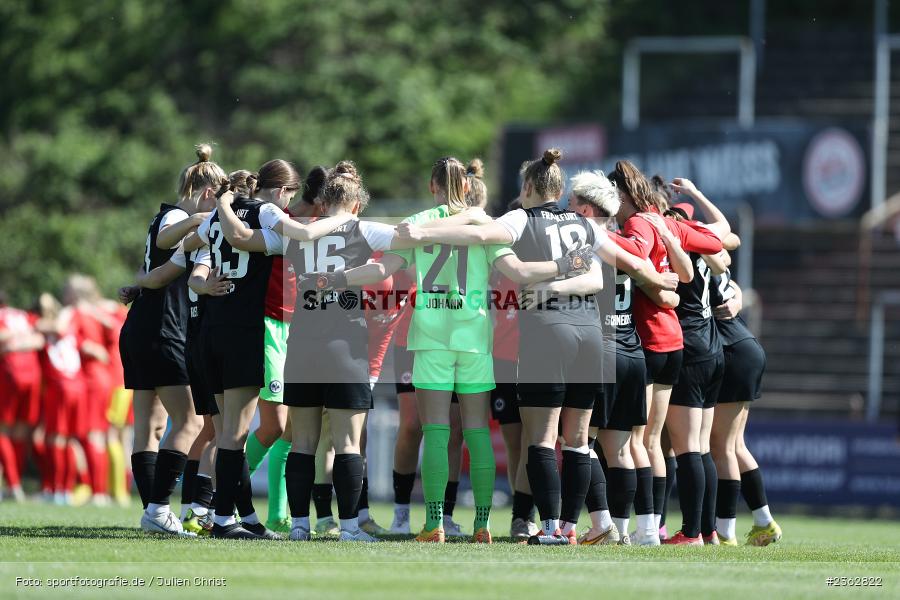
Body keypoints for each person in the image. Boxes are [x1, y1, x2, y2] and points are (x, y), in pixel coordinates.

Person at [395, 150, 678, 545]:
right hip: (591, 337)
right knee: (579, 441)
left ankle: (549, 529)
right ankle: (571, 528)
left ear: (528, 187)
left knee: (542, 439)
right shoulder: (584, 223)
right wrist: (664, 280)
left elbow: (479, 234)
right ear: (561, 190)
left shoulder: (520, 217)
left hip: (549, 332)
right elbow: (624, 264)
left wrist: (423, 233)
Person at [202, 159, 351, 539]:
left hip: (244, 324)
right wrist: (343, 220)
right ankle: (221, 509)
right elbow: (277, 235)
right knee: (261, 427)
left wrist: (202, 280)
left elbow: (196, 242)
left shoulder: (254, 216)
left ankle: (249, 513)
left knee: (265, 427)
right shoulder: (272, 216)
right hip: (260, 325)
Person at [567, 170, 681, 545]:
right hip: (633, 350)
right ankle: (640, 531)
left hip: (603, 349)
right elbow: (649, 273)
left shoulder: (589, 240)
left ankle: (584, 525)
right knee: (623, 448)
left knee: (580, 442)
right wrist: (663, 282)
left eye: (572, 203)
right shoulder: (625, 244)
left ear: (586, 207)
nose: (567, 210)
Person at [118, 144, 222, 535]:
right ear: (209, 192)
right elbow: (166, 240)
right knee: (190, 420)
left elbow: (158, 259)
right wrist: (202, 216)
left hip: (142, 325)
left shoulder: (166, 215)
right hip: (164, 327)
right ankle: (158, 510)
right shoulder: (178, 215)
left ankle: (154, 513)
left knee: (150, 426)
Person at [638, 178, 729, 546]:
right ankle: (706, 530)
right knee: (700, 446)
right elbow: (724, 236)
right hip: (711, 344)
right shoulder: (699, 239)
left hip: (689, 344)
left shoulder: (672, 243)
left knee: (687, 446)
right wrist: (696, 195)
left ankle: (691, 531)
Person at [707, 245, 782, 546]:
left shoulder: (690, 255)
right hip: (744, 346)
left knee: (721, 446)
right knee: (734, 445)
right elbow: (729, 243)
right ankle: (764, 522)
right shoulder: (710, 253)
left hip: (733, 351)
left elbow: (731, 240)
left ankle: (725, 533)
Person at [0, 290, 43, 502]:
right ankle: (14, 486)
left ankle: (13, 484)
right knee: (19, 433)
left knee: (3, 431)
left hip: (10, 374)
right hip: (32, 374)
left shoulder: (3, 316)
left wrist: (11, 343)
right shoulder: (22, 315)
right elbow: (40, 338)